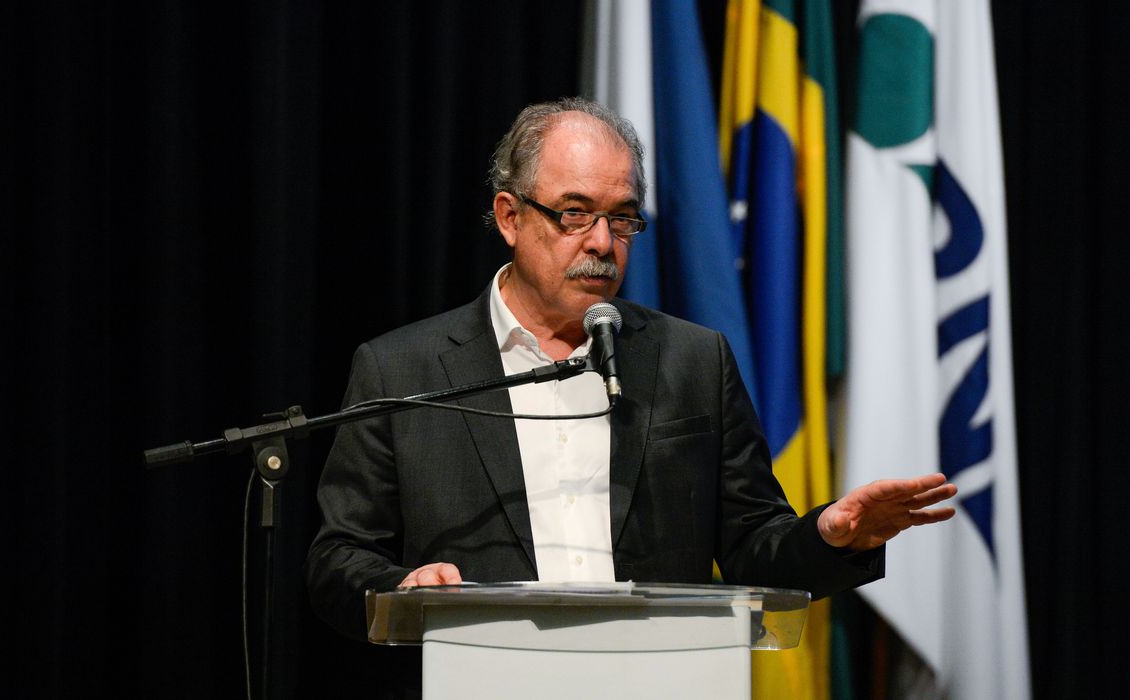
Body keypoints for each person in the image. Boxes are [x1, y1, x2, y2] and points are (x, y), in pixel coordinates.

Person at [306, 98, 956, 642]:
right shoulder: (403, 370)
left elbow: (755, 547)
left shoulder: (693, 361)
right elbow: (339, 558)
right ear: (510, 217)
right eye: (574, 212)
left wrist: (831, 536)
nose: (601, 242)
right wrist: (403, 588)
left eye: (621, 218)